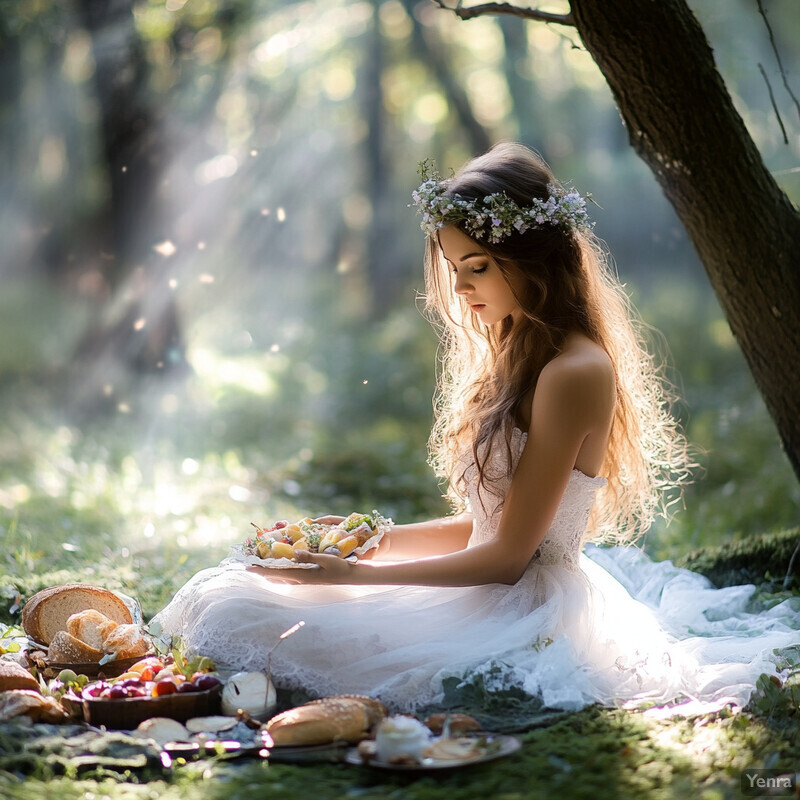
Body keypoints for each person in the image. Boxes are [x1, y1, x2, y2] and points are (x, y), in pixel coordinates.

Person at [151, 142, 799, 713]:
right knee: (234, 591)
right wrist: (363, 540)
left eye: (478, 267)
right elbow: (485, 525)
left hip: (521, 606)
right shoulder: (519, 349)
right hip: (484, 583)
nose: (461, 289)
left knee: (240, 613)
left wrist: (355, 579)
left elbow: (510, 558)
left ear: (532, 258)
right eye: (454, 270)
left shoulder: (575, 370)